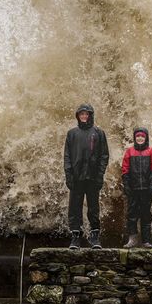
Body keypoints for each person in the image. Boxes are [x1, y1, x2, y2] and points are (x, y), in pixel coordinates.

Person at [64, 103, 109, 249]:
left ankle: (95, 237)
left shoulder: (99, 133)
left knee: (93, 208)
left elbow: (104, 155)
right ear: (78, 116)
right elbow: (67, 157)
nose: (84, 116)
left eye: (86, 114)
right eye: (81, 114)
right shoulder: (72, 133)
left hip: (93, 177)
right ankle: (75, 237)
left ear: (90, 115)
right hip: (76, 178)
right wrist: (69, 175)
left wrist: (100, 175)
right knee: (75, 208)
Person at [121, 128, 152, 248]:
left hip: (146, 189)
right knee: (132, 214)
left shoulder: (151, 151)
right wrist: (127, 185)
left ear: (146, 138)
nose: (140, 138)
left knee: (145, 214)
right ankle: (132, 239)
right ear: (134, 138)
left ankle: (146, 240)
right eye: (137, 136)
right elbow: (125, 170)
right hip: (133, 189)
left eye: (142, 136)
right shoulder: (129, 151)